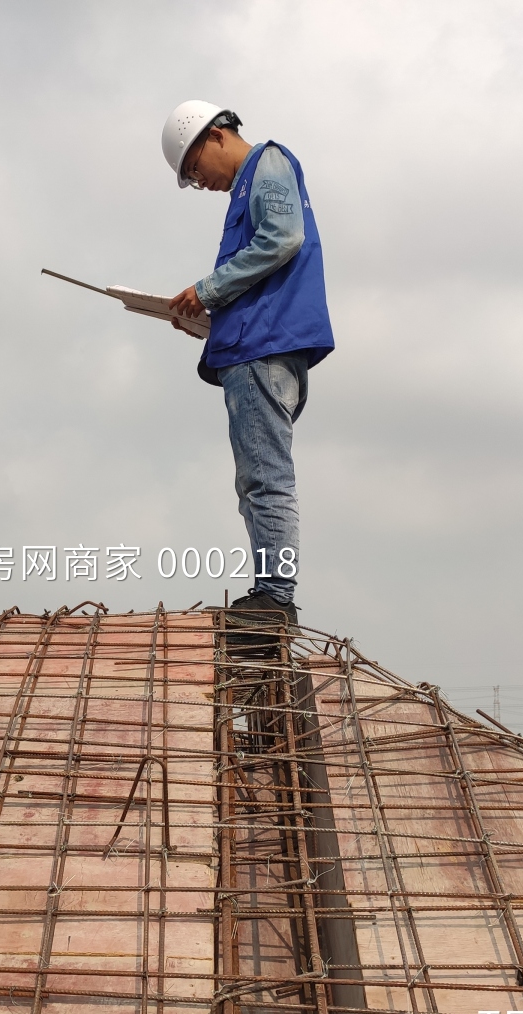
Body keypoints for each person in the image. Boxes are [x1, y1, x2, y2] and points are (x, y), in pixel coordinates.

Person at [161, 101, 333, 632]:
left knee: (266, 480)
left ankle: (275, 598)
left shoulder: (268, 162)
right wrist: (205, 315)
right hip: (251, 345)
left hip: (265, 347)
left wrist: (208, 290)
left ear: (214, 136)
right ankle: (270, 592)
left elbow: (282, 239)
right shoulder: (246, 184)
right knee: (256, 481)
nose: (198, 182)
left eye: (193, 170)